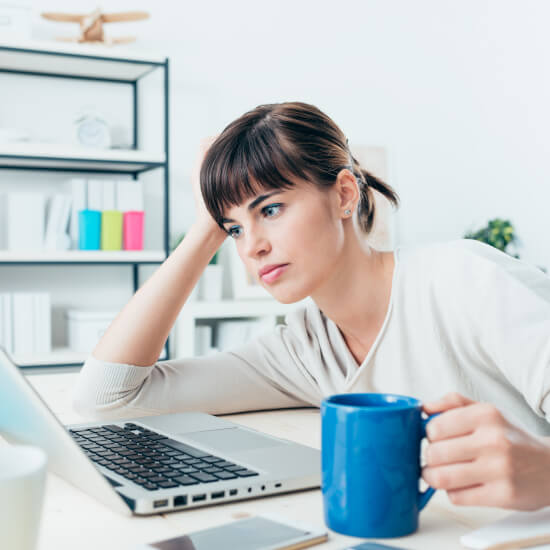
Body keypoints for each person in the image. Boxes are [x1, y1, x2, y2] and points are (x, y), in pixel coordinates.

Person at [74, 101, 550, 511]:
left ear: (344, 194)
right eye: (234, 228)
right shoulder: (305, 349)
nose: (251, 246)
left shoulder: (466, 280)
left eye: (270, 209)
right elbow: (109, 397)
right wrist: (204, 232)